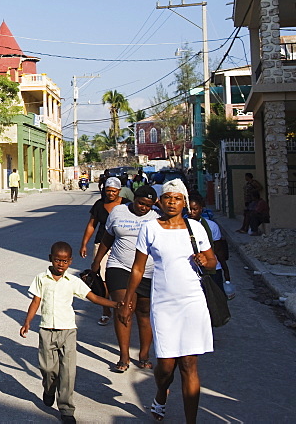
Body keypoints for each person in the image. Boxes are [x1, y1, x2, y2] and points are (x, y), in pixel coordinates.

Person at [119, 178, 216, 424]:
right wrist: (128, 300)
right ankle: (162, 392)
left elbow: (212, 261)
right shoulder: (151, 228)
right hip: (163, 304)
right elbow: (138, 268)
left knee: (189, 364)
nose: (172, 202)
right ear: (160, 202)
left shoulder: (196, 228)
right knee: (166, 366)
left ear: (184, 202)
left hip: (192, 301)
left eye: (177, 198)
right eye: (168, 198)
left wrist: (206, 262)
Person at [20, 241, 118, 424]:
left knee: (68, 372)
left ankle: (66, 409)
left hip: (68, 331)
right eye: (57, 260)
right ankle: (49, 389)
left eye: (65, 261)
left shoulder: (73, 282)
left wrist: (114, 305)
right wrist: (27, 322)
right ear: (51, 259)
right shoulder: (41, 278)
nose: (61, 264)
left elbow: (94, 297)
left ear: (70, 262)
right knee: (48, 369)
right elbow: (35, 302)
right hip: (47, 330)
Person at [91, 185, 159, 372]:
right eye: (140, 203)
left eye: (148, 205)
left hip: (148, 271)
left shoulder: (156, 218)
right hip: (119, 266)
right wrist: (97, 261)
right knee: (123, 307)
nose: (143, 208)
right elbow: (107, 237)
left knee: (144, 313)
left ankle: (144, 354)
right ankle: (124, 356)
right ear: (133, 199)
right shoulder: (118, 212)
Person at [78, 177, 124, 325]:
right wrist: (84, 243)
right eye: (108, 190)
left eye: (113, 191)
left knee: (120, 277)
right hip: (101, 244)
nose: (110, 193)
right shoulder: (99, 205)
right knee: (101, 278)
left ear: (119, 191)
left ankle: (121, 306)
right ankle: (106, 310)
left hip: (121, 245)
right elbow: (92, 225)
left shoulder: (126, 205)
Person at [188, 197, 233, 299]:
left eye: (195, 209)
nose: (191, 212)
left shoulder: (211, 226)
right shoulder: (180, 226)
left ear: (201, 209)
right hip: (192, 269)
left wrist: (225, 270)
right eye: (189, 209)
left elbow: (218, 251)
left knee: (216, 300)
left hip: (211, 268)